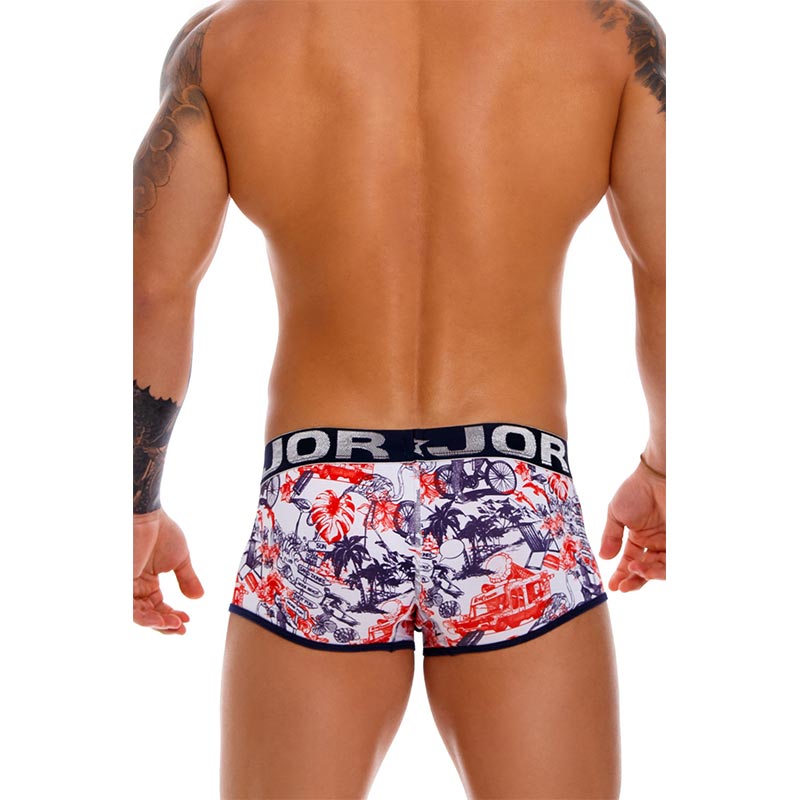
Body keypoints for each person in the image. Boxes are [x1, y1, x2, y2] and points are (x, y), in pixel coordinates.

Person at [133, 1, 665, 797]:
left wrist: (135, 505)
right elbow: (675, 274)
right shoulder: (608, 33)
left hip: (322, 494)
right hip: (512, 488)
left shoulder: (229, 39)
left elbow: (151, 290)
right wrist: (665, 466)